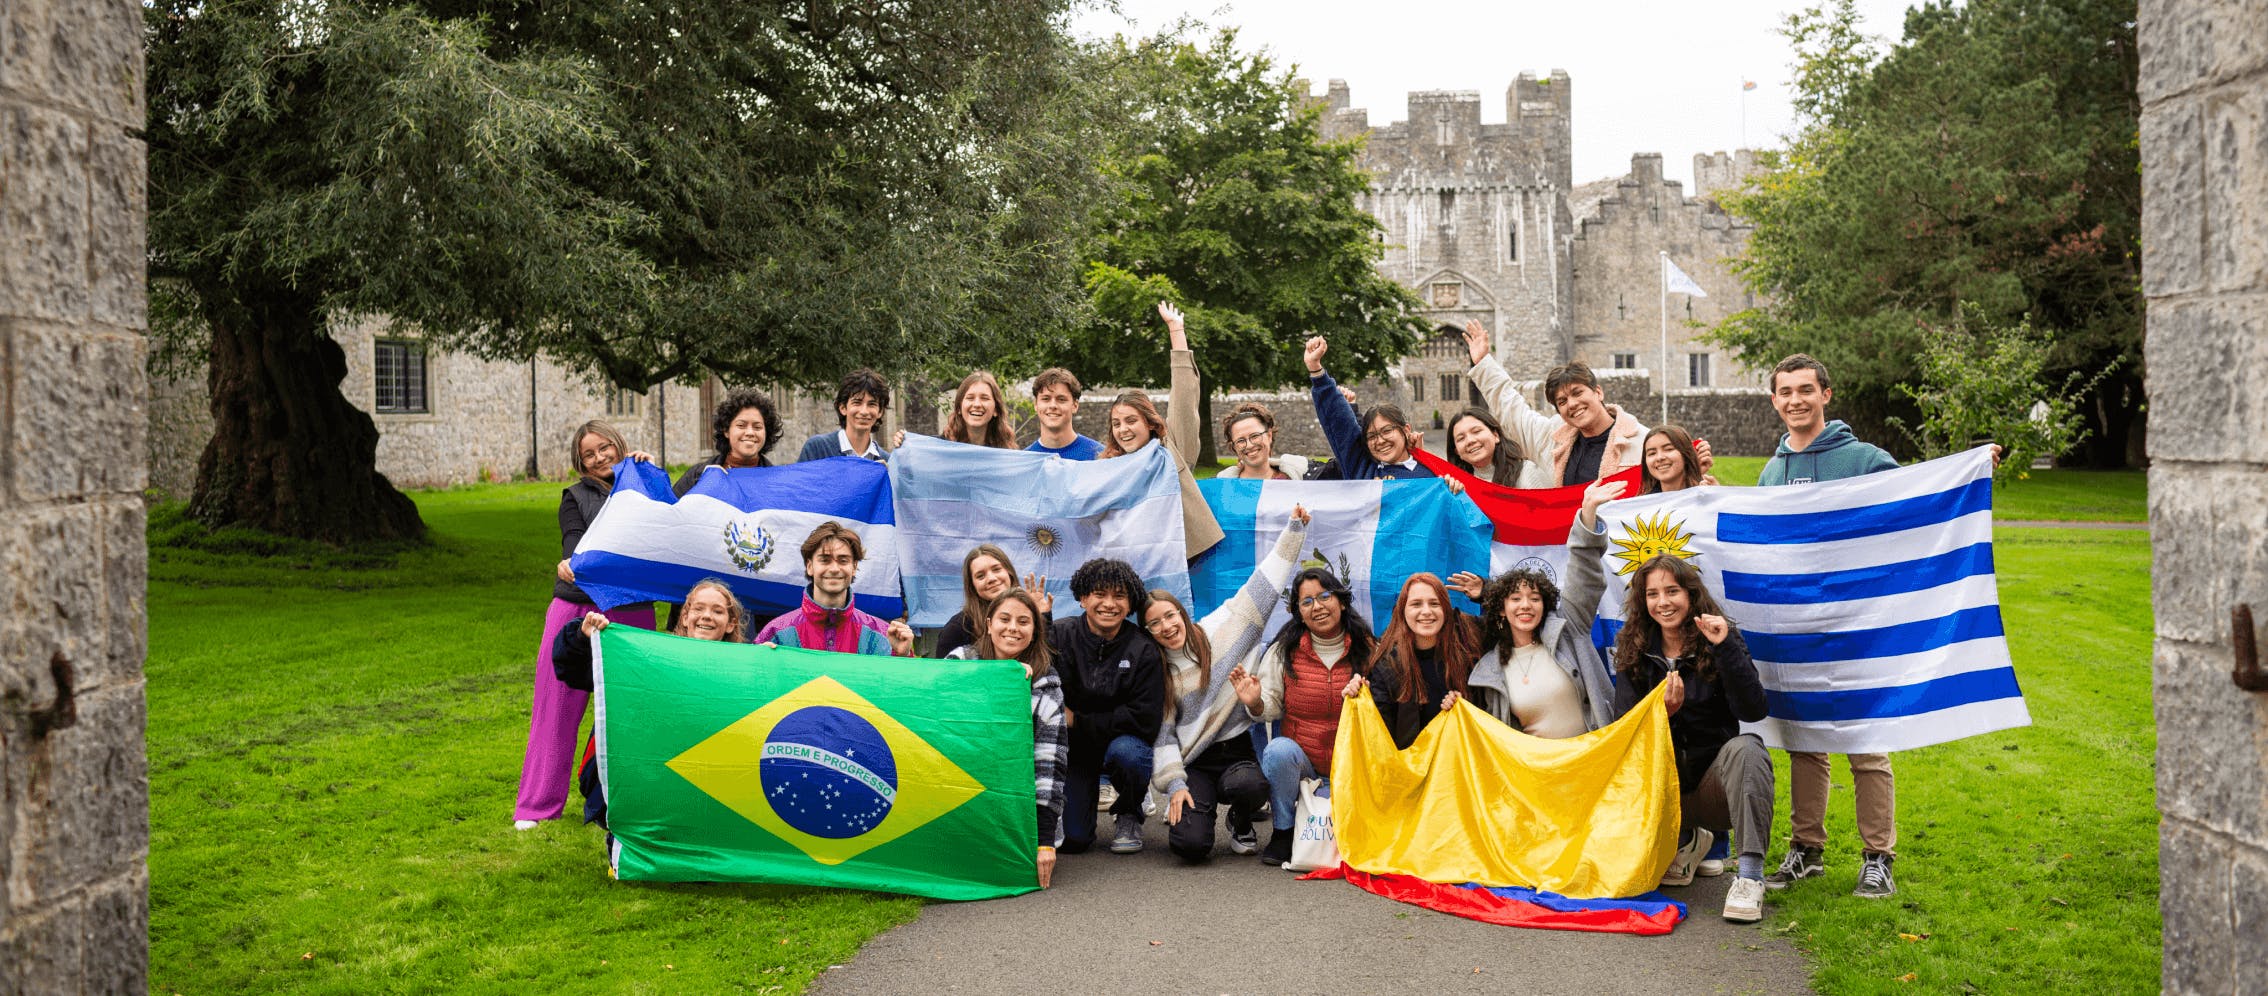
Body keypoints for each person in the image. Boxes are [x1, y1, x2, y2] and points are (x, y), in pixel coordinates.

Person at [1577, 478, 1774, 923]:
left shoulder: (1718, 636)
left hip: (1710, 786)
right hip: (1657, 789)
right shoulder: (1632, 648)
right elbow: (1627, 731)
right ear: (1642, 602)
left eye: (1672, 592)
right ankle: (1682, 839)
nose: (1663, 602)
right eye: (1652, 594)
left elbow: (1753, 710)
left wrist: (1726, 649)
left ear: (1690, 594)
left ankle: (1749, 876)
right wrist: (1659, 716)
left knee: (1749, 749)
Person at [1755, 352, 1903, 899]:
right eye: (1785, 392)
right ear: (1775, 401)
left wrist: (1972, 468)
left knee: (1866, 742)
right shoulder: (1771, 473)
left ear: (1826, 395)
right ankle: (1806, 848)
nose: (1796, 400)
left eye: (1805, 390)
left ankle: (1877, 855)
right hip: (1797, 627)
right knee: (1804, 743)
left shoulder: (1864, 459)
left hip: (1857, 623)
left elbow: (1912, 509)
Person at [514, 420, 659, 830]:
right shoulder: (575, 496)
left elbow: (674, 525)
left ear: (618, 445)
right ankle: (537, 805)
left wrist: (647, 473)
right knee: (556, 707)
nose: (599, 458)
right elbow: (575, 545)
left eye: (604, 448)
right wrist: (570, 562)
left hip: (631, 607)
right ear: (581, 463)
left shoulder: (643, 482)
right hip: (575, 607)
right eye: (589, 454)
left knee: (631, 709)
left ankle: (627, 799)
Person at [1146, 507, 1312, 862]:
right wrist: (1175, 785)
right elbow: (1164, 736)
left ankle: (1240, 817)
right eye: (1154, 624)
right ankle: (1197, 815)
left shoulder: (1223, 630)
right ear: (1149, 633)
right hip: (1196, 762)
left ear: (1182, 613)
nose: (1166, 627)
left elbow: (1264, 585)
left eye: (1170, 616)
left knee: (1249, 785)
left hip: (1237, 754)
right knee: (1190, 846)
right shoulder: (1158, 673)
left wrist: (1293, 531)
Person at [550, 578, 749, 826]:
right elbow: (571, 670)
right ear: (685, 616)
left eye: (717, 611)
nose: (707, 616)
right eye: (698, 608)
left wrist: (770, 667)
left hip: (706, 788)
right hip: (645, 785)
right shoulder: (650, 659)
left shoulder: (745, 671)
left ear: (731, 624)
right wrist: (582, 635)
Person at [1250, 566, 1377, 865]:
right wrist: (1255, 702)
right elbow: (1268, 708)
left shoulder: (1370, 649)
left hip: (1353, 769)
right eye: (1306, 602)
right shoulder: (1283, 651)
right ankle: (1284, 830)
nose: (1317, 607)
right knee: (1278, 750)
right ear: (1298, 612)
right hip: (1305, 768)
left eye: (1324, 596)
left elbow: (1387, 711)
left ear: (1342, 602)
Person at [943, 587, 1068, 889]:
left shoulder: (1047, 686)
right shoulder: (960, 662)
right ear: (988, 624)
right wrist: (1002, 679)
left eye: (1024, 622)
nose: (1013, 628)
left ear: (1035, 631)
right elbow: (935, 715)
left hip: (1016, 802)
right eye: (1004, 619)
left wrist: (1044, 843)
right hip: (961, 791)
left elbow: (1050, 766)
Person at [1047, 558, 1165, 855]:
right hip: (1076, 750)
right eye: (1100, 594)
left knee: (1129, 755)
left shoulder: (1143, 648)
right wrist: (1041, 622)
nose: (1109, 604)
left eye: (1119, 596)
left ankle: (1129, 810)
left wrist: (1079, 720)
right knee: (1073, 841)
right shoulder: (1060, 635)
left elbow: (1145, 720)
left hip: (1120, 744)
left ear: (1130, 603)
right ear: (1083, 597)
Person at [1457, 319, 1658, 487]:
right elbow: (1512, 410)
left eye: (1577, 393)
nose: (1572, 404)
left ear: (1598, 392)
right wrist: (1484, 363)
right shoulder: (1552, 438)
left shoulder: (1642, 441)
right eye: (1562, 401)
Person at [1095, 301, 1225, 558]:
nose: (1123, 430)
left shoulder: (1172, 450)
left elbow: (1184, 396)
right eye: (1117, 423)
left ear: (1150, 423)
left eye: (1131, 421)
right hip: (1132, 558)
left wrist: (1176, 331)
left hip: (1179, 556)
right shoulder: (1107, 467)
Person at [1449, 563, 1617, 739]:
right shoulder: (1491, 670)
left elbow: (1585, 568)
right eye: (1515, 599)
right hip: (1540, 765)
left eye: (1535, 599)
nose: (1526, 605)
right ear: (1501, 610)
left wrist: (1588, 534)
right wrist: (1454, 703)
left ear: (1544, 606)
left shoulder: (1569, 633)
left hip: (1598, 758)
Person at [1341, 573, 1482, 750]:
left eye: (1434, 603)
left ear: (1445, 609)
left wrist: (1485, 593)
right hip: (1411, 768)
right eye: (1416, 604)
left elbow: (1512, 623)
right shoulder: (1387, 666)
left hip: (1464, 760)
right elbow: (1377, 734)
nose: (1426, 611)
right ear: (1403, 611)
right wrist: (1357, 700)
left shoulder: (1469, 642)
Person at [753, 521, 915, 657]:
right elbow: (751, 688)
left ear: (854, 567)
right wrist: (758, 664)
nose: (834, 568)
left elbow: (905, 690)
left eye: (843, 560)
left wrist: (903, 656)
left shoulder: (883, 635)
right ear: (810, 566)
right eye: (825, 560)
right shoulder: (776, 633)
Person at [1303, 335, 1435, 481]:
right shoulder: (1364, 470)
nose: (1380, 441)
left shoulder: (1432, 474)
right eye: (1371, 436)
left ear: (1406, 430)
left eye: (1387, 431)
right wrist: (1316, 370)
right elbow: (1342, 425)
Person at [932, 544, 1052, 659]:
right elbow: (944, 676)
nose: (991, 579)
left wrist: (1041, 618)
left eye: (996, 569)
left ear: (1009, 572)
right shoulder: (957, 628)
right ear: (972, 585)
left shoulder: (1031, 613)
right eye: (980, 576)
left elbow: (1045, 660)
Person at [676, 388, 781, 496]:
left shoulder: (778, 484)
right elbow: (672, 509)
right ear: (726, 430)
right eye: (741, 425)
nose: (750, 432)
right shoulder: (696, 477)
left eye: (757, 427)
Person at [796, 368, 891, 463]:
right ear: (843, 408)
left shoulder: (887, 461)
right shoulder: (817, 449)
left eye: (872, 404)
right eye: (857, 403)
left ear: (880, 412)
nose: (864, 411)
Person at [1213, 402, 1309, 480]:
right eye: (1241, 440)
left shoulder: (1296, 478)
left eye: (1255, 436)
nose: (1249, 445)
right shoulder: (1220, 487)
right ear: (1234, 447)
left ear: (1269, 435)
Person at [1026, 368, 1104, 460]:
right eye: (1046, 399)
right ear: (1036, 404)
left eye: (1061, 399)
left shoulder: (1100, 456)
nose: (1053, 405)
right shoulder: (1024, 461)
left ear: (1075, 405)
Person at [1444, 406, 1530, 486]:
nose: (1470, 441)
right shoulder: (1457, 485)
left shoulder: (1526, 473)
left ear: (1496, 436)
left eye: (1476, 431)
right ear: (1457, 452)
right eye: (1461, 438)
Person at [1640, 423, 1717, 493]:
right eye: (1652, 453)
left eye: (1668, 449)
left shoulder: (1708, 495)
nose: (1659, 457)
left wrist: (1719, 497)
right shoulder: (1642, 505)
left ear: (1686, 454)